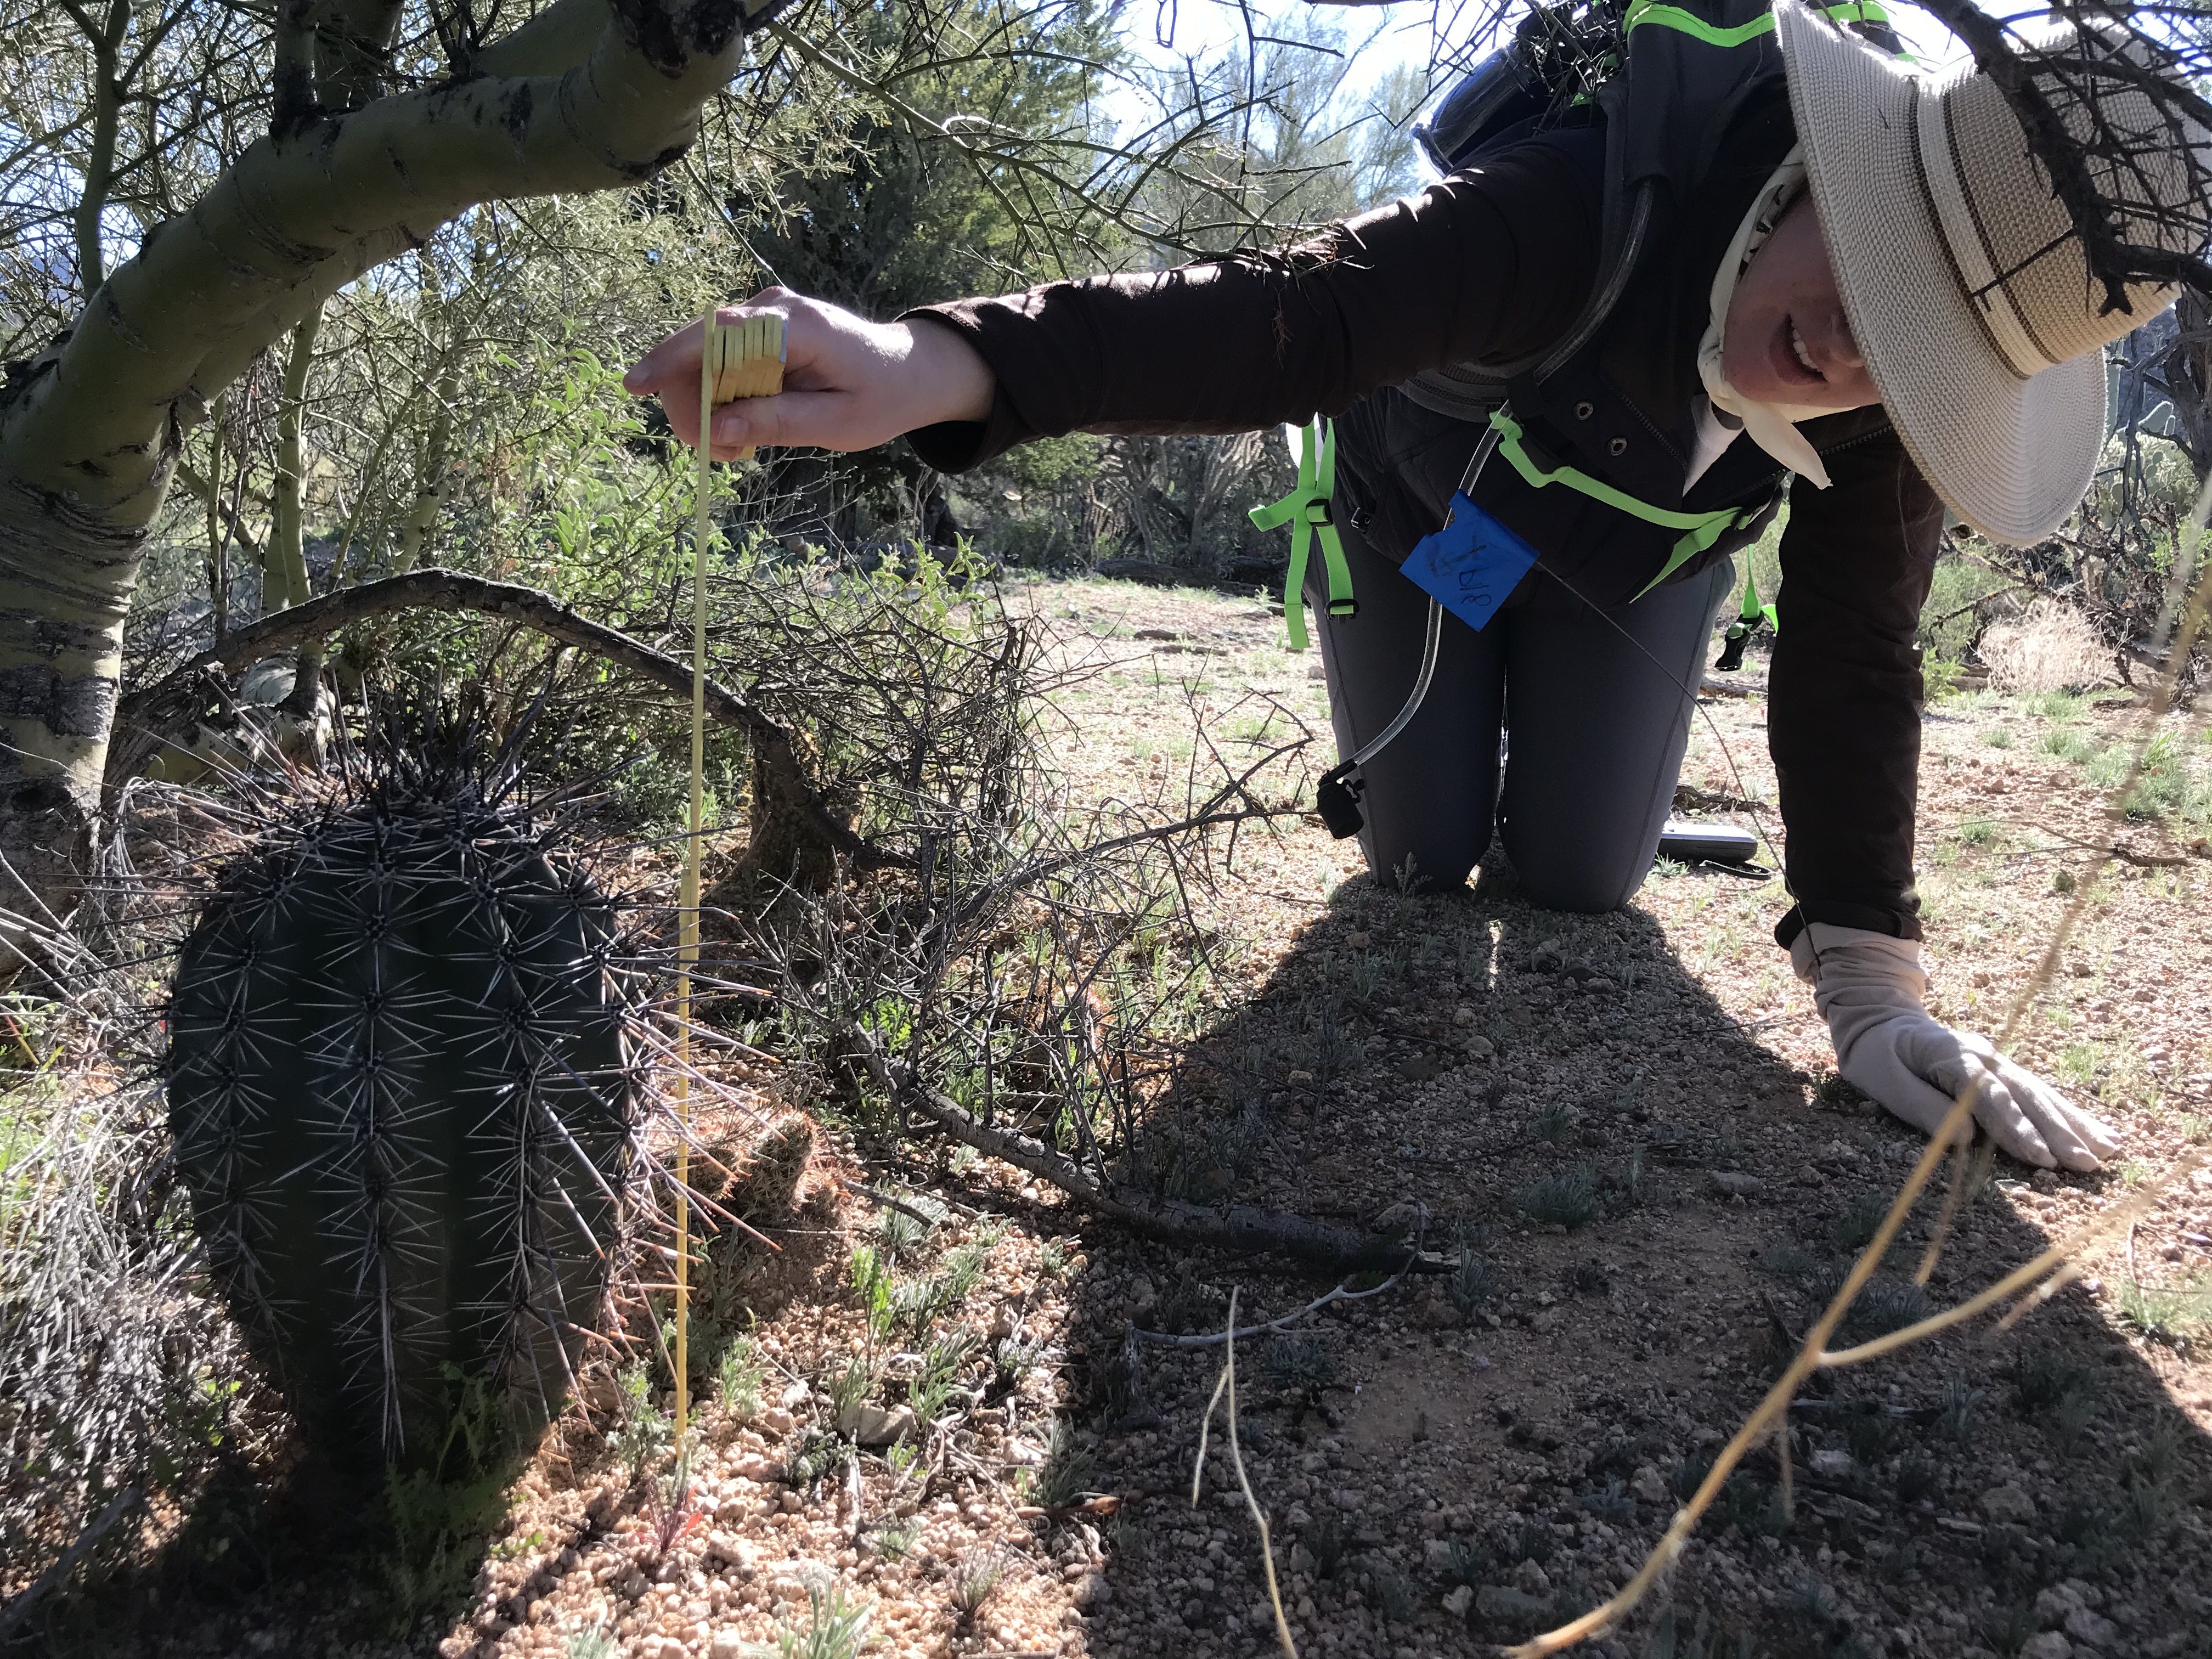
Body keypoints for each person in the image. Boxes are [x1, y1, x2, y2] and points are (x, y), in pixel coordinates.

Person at [625, 0, 2200, 1173]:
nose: (1859, 353)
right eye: (1878, 269)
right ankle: (1450, 685)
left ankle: (1587, 755)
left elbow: (1859, 648)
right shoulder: (1577, 201)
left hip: (1624, 564)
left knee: (1584, 878)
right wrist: (953, 361)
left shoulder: (1882, 413)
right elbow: (1296, 318)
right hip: (1419, 508)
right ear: (1829, 176)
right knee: (1419, 855)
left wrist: (1872, 981)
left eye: (1924, 348)